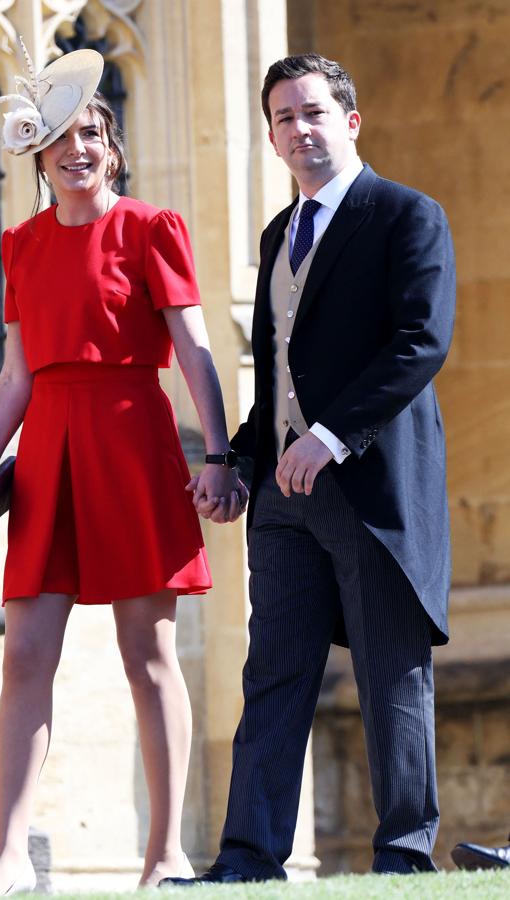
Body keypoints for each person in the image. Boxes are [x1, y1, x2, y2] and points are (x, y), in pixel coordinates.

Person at [0, 45, 246, 896]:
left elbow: (194, 349)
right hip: (46, 450)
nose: (77, 150)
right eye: (59, 139)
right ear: (39, 158)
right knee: (25, 656)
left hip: (132, 438)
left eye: (91, 133)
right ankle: (9, 856)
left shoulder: (152, 229)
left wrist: (221, 455)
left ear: (111, 145)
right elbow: (14, 374)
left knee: (147, 652)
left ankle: (165, 854)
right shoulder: (19, 246)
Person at [163, 53, 456, 883]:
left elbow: (420, 344)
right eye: (286, 118)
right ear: (270, 136)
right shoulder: (276, 235)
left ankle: (404, 859)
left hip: (371, 489)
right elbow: (283, 379)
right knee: (274, 671)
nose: (301, 128)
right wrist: (235, 461)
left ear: (351, 121)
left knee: (390, 672)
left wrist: (331, 436)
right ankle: (248, 860)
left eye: (316, 112)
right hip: (286, 503)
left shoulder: (405, 215)